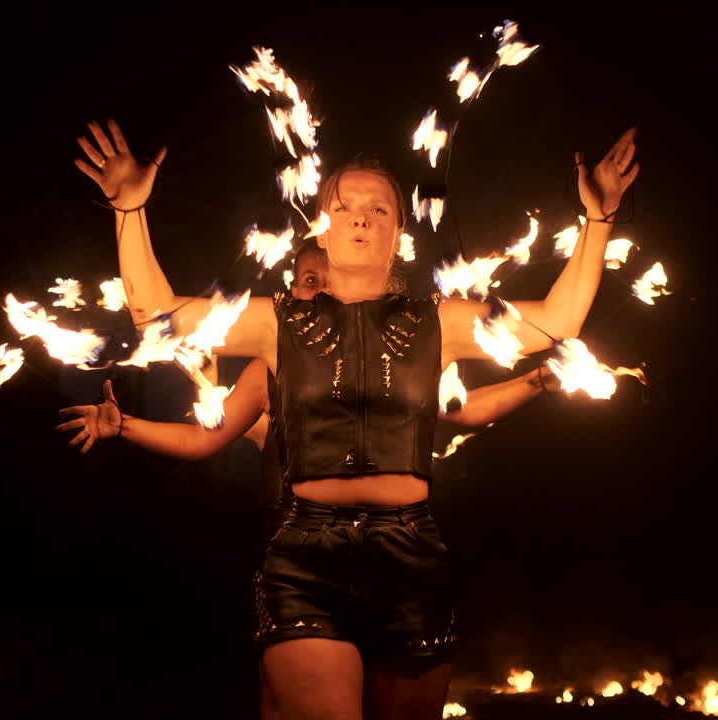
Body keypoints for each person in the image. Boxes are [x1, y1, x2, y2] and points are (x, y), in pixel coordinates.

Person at [61, 118, 636, 719]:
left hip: (412, 559)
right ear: (322, 224)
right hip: (305, 559)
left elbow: (557, 320)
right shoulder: (273, 322)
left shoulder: (443, 321)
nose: (361, 217)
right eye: (346, 205)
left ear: (399, 232)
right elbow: (158, 315)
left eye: (379, 209)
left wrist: (598, 219)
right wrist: (130, 210)